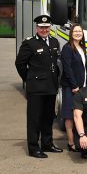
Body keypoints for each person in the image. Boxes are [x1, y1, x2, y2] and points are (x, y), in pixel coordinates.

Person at [15, 15, 63, 158]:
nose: (44, 30)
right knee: (34, 119)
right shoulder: (29, 43)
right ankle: (34, 147)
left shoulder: (54, 42)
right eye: (41, 27)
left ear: (50, 28)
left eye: (47, 27)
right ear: (37, 28)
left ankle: (47, 144)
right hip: (36, 88)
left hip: (51, 87)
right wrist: (29, 79)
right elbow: (20, 63)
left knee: (48, 118)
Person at [60, 23, 87, 153]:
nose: (78, 33)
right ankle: (71, 143)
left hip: (82, 86)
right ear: (71, 33)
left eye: (80, 31)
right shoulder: (67, 48)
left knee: (78, 114)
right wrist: (74, 86)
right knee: (69, 115)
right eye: (75, 31)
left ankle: (79, 139)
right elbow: (67, 69)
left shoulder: (82, 48)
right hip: (72, 87)